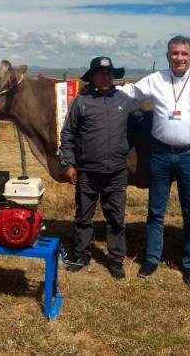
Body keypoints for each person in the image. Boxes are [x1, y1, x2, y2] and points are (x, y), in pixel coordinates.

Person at [118, 35, 190, 285]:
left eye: (184, 54)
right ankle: (152, 258)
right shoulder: (156, 80)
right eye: (174, 53)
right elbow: (130, 91)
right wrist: (98, 89)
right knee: (156, 210)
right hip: (160, 153)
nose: (179, 58)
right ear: (168, 56)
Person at [59, 56, 143, 279]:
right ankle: (81, 255)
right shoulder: (81, 101)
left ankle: (115, 259)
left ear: (113, 76)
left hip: (116, 171)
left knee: (116, 217)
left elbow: (140, 124)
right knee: (83, 216)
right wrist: (69, 164)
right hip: (86, 170)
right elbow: (67, 134)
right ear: (93, 77)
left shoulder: (124, 101)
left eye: (108, 73)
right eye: (100, 73)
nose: (105, 77)